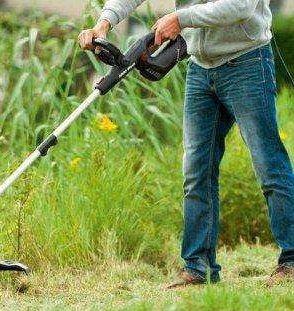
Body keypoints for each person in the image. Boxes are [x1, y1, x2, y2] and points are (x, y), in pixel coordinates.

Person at [78, 0, 294, 289]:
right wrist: (104, 21)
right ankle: (198, 268)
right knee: (196, 172)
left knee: (269, 165)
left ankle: (291, 261)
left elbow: (241, 6)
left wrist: (180, 18)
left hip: (247, 63)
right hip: (200, 69)